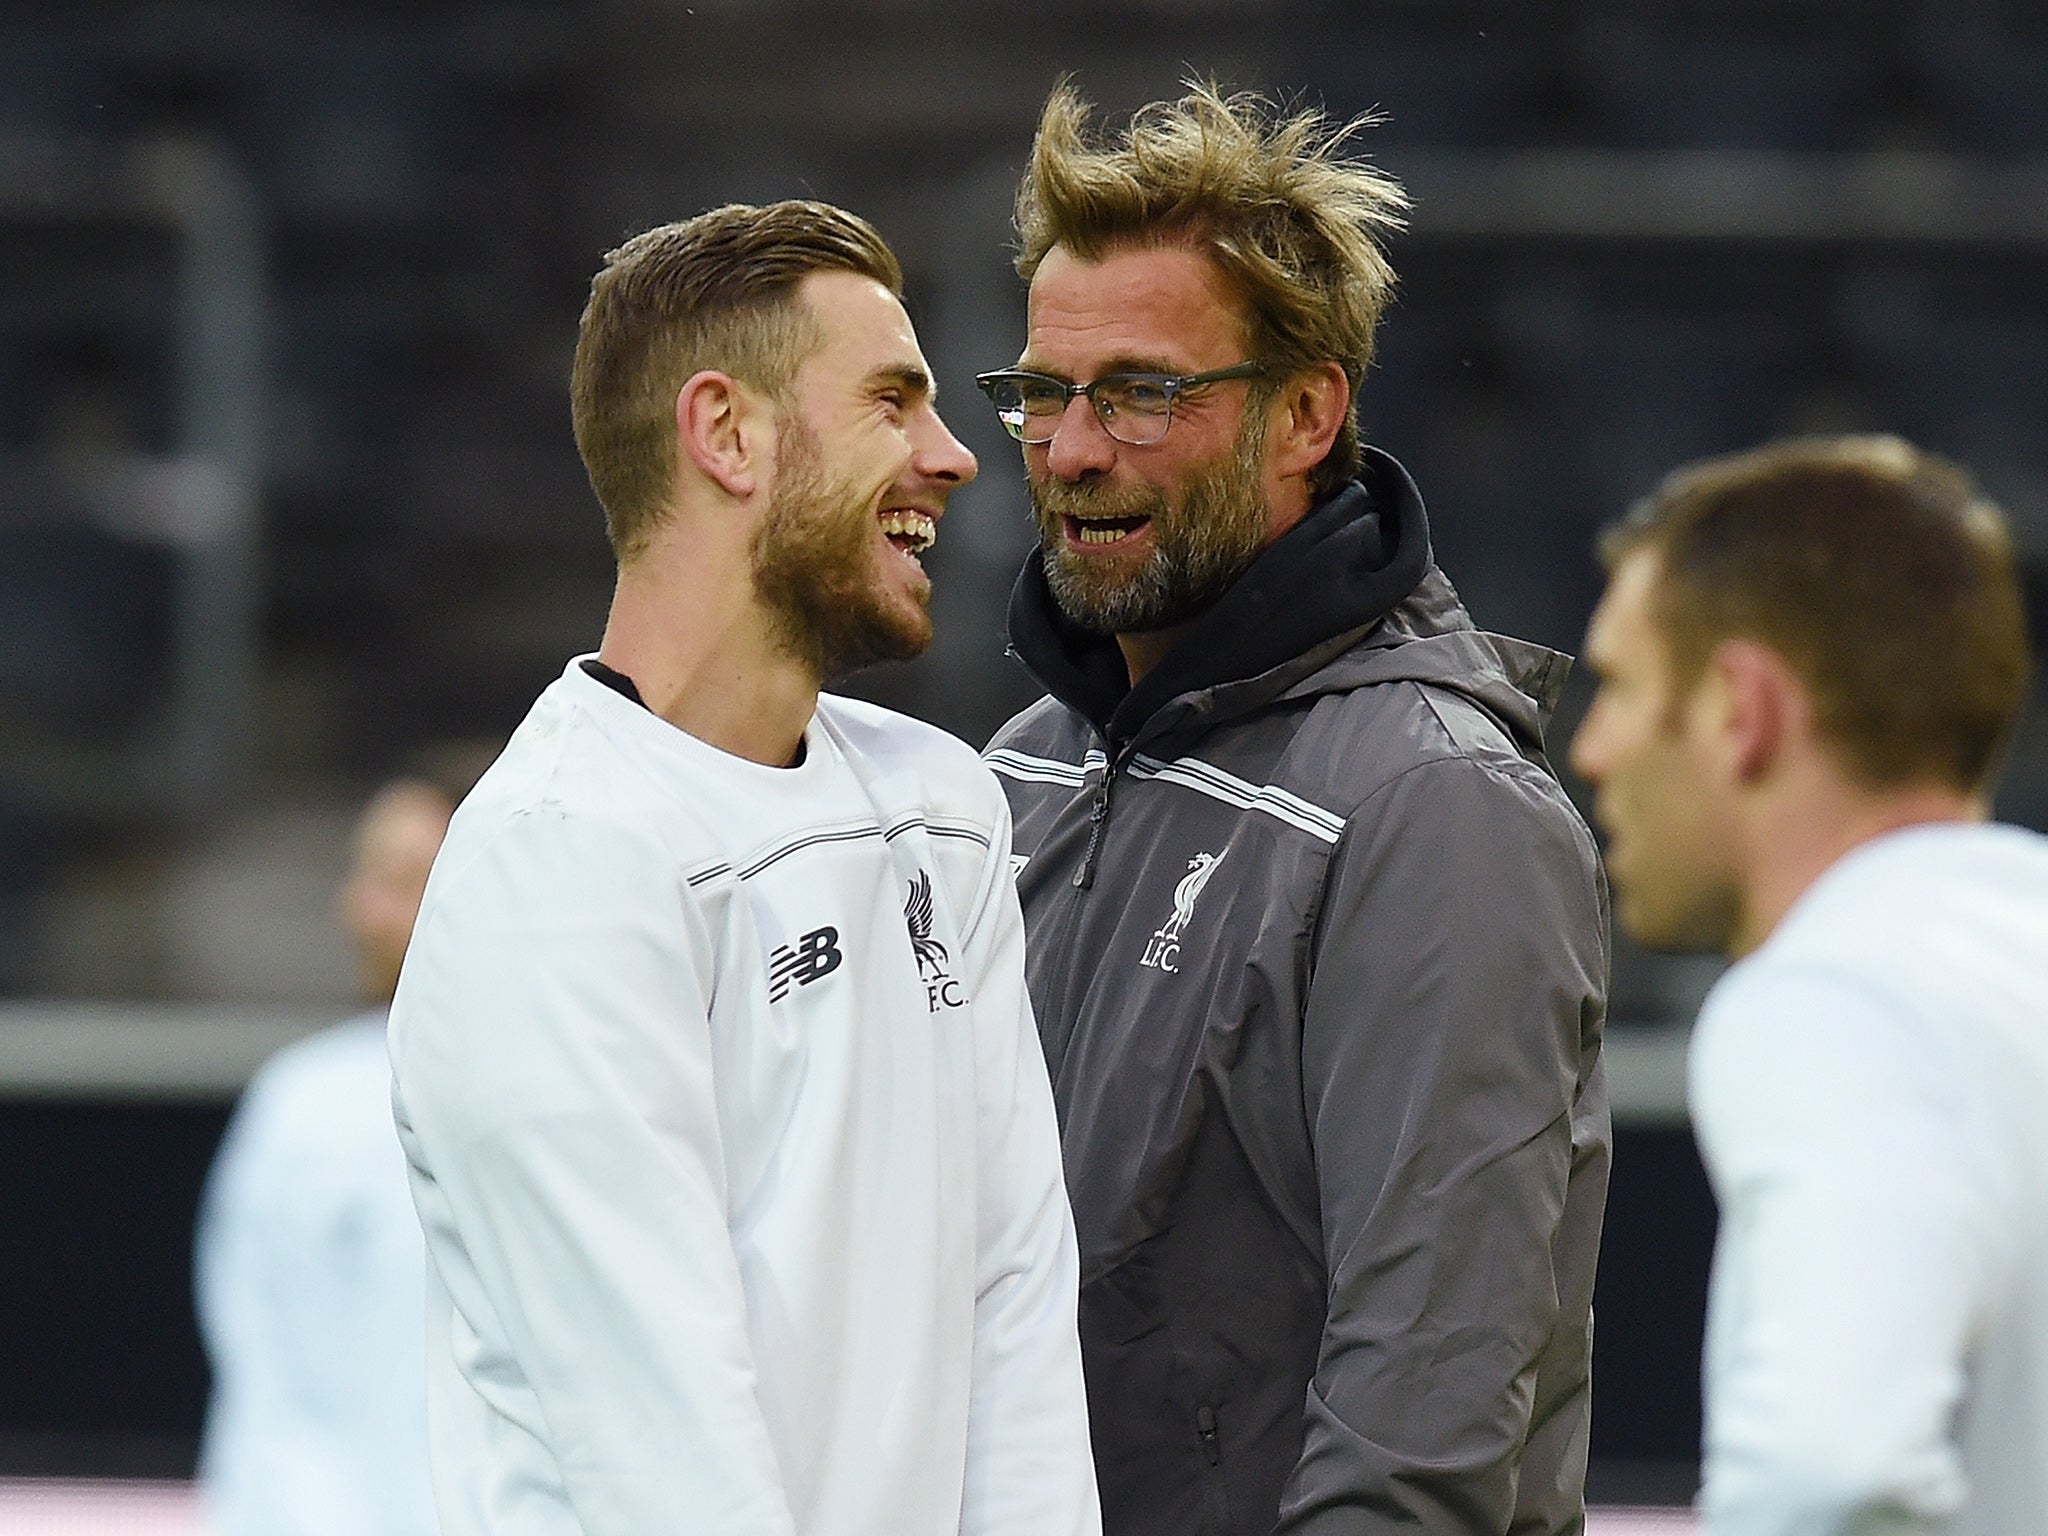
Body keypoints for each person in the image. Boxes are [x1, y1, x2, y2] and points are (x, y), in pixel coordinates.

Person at [386, 201, 1100, 1536]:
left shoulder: (944, 806)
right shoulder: (558, 861)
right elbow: (662, 1453)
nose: (954, 458)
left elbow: (1016, 1314)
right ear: (727, 434)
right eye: (894, 399)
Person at [975, 82, 1611, 1535]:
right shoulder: (1013, 772)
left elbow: (1421, 1425)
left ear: (1306, 413)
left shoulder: (1440, 809)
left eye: (1142, 393)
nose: (1072, 451)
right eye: (1042, 394)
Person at [1569, 434, 2047, 1534]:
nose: (1591, 747)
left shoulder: (1832, 998)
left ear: (1741, 711)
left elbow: (1826, 1472)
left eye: (1622, 685)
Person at [194, 777, 457, 1536]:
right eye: (365, 876)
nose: (364, 913)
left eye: (406, 881)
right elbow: (263, 1388)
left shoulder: (592, 1092)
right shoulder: (303, 1104)